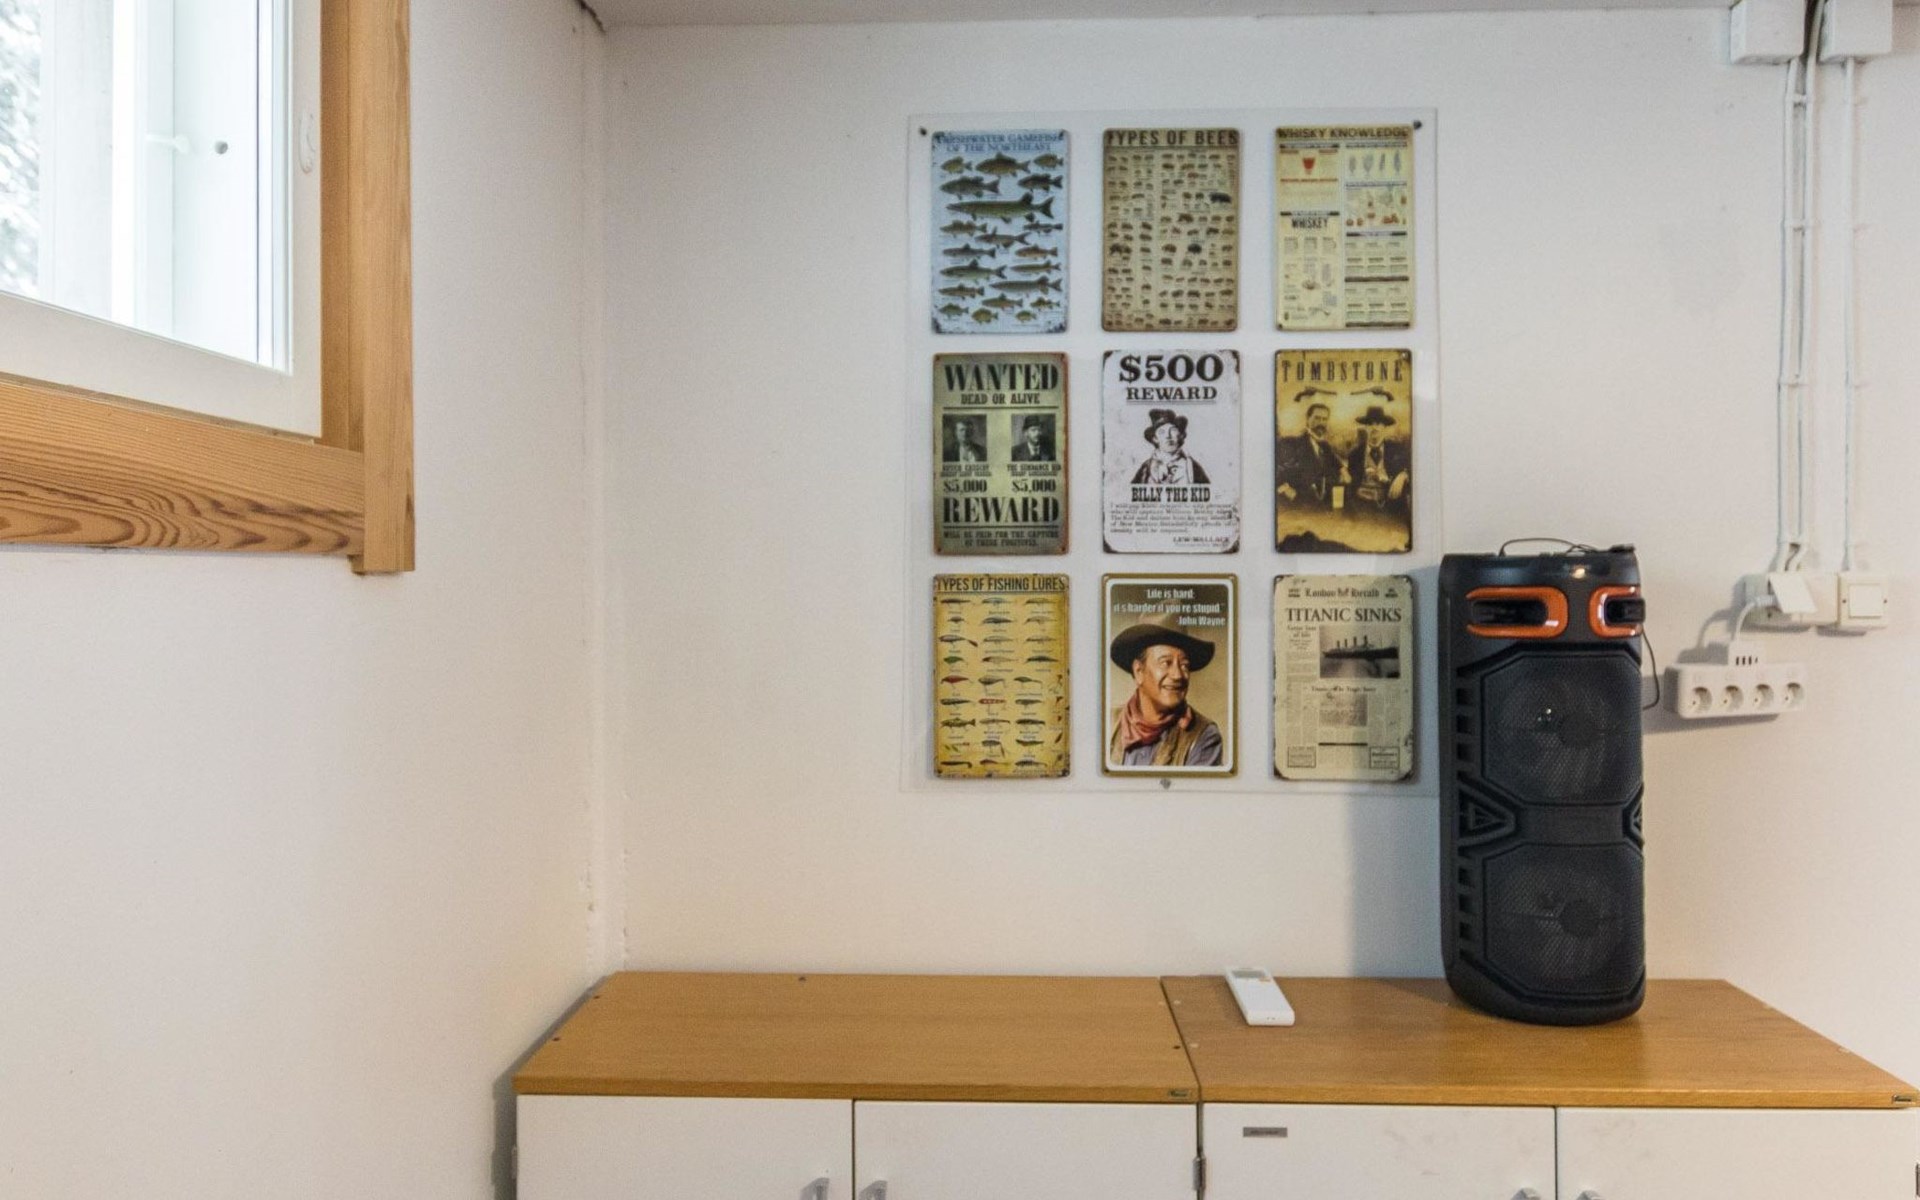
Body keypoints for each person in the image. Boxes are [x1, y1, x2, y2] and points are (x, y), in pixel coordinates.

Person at [1107, 616, 1223, 768]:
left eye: (1184, 665)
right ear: (1139, 671)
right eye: (1165, 663)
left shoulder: (1203, 736)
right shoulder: (1107, 723)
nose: (1178, 675)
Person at [1275, 396, 1345, 507]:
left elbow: (1338, 467)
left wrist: (1343, 473)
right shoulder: (1292, 443)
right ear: (1307, 419)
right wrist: (1285, 489)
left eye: (1324, 419)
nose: (1321, 423)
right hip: (1298, 507)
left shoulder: (1325, 447)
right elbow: (1274, 471)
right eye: (1317, 418)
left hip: (1323, 505)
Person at [1345, 404, 1410, 511]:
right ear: (1365, 427)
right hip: (1362, 508)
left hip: (1392, 508)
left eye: (1378, 424)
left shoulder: (1397, 450)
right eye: (1370, 424)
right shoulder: (1355, 454)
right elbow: (1350, 486)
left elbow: (1415, 469)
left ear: (1384, 427)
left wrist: (1404, 475)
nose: (1374, 427)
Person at [1130, 409, 1209, 485]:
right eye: (1162, 432)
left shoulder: (1192, 467)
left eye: (1173, 430)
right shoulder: (1146, 468)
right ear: (1155, 439)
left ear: (1180, 435)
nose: (1168, 436)